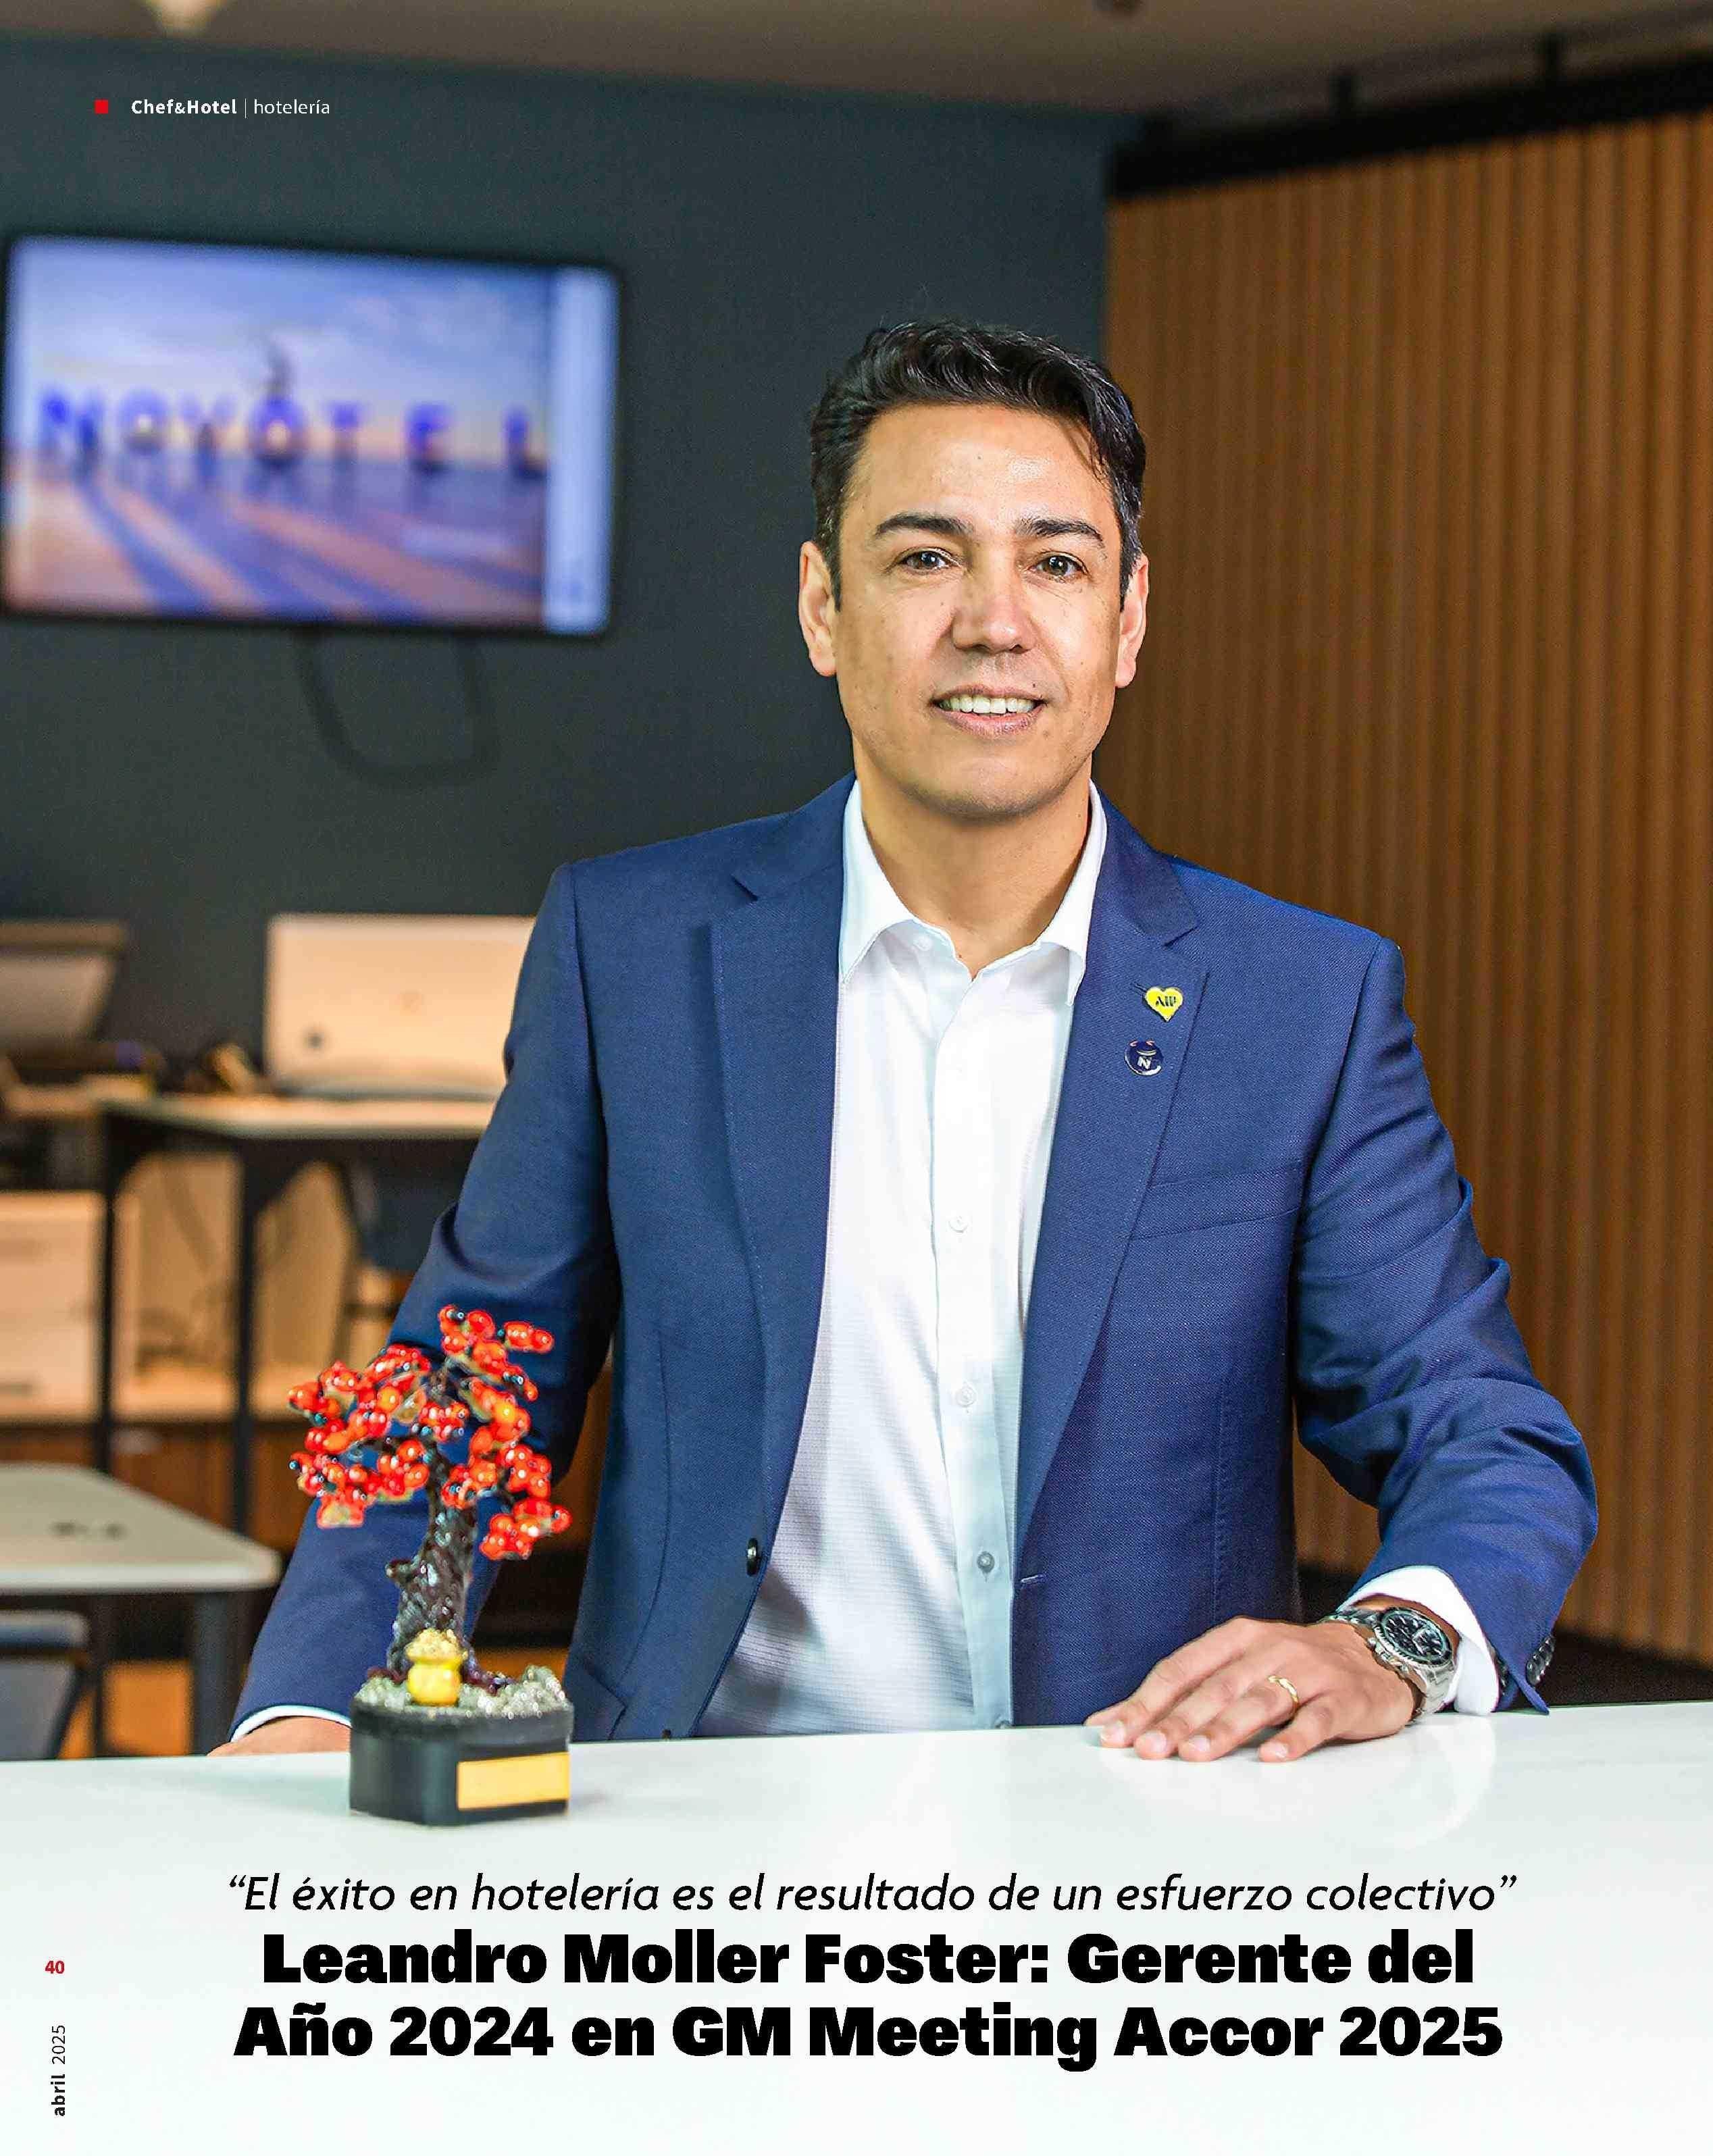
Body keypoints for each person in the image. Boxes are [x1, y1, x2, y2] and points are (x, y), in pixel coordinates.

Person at [219, 319, 1595, 1767]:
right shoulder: (632, 954)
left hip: (1146, 1816)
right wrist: (310, 1700)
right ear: (823, 607)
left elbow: (1478, 1429)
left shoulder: (1298, 1002)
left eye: (1056, 564)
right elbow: (468, 1381)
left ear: (1127, 621)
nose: (994, 621)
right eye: (927, 557)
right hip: (705, 1819)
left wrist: (1390, 1640)